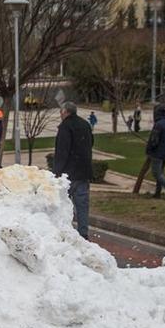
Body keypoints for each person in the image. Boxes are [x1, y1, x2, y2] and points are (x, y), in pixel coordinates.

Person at [53, 101, 94, 238]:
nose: (60, 114)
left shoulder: (65, 127)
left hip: (69, 173)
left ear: (65, 112)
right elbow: (90, 143)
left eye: (61, 112)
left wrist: (57, 172)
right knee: (82, 205)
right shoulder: (85, 124)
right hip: (84, 171)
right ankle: (83, 233)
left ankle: (65, 232)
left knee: (64, 204)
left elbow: (62, 151)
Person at [145, 103, 165, 200]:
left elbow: (154, 141)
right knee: (160, 173)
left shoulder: (158, 125)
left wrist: (149, 150)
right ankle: (157, 193)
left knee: (156, 173)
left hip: (158, 153)